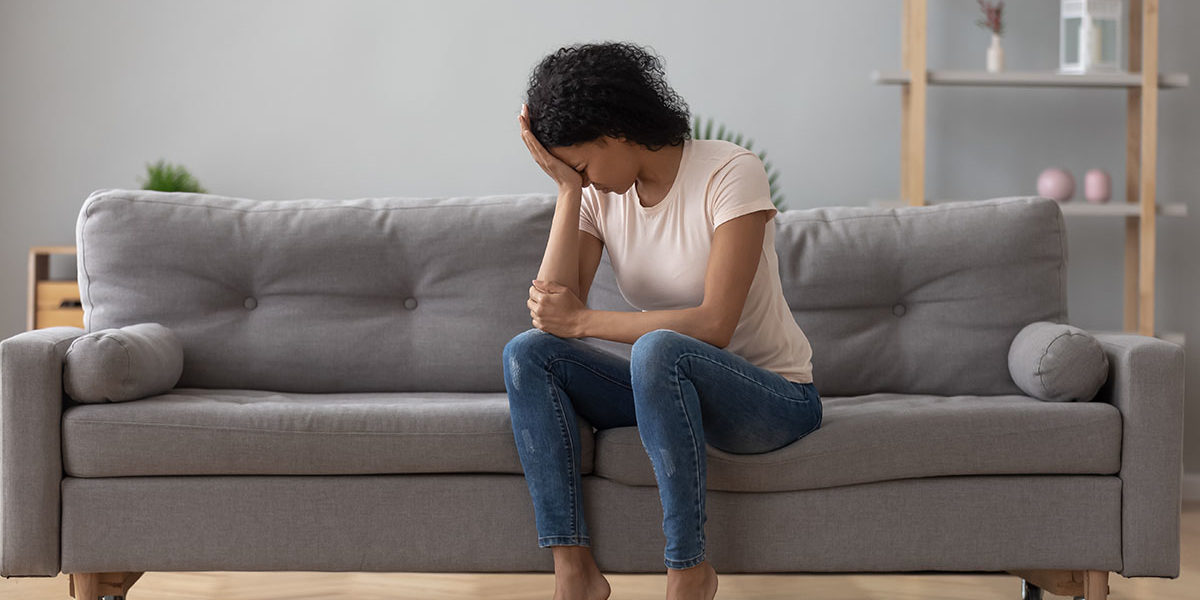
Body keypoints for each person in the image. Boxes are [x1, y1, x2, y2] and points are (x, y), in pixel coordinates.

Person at [503, 41, 820, 600]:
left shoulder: (730, 171)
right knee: (527, 352)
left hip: (769, 398)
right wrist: (567, 189)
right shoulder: (600, 195)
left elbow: (715, 324)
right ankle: (574, 575)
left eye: (582, 164)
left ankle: (688, 570)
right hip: (667, 391)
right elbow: (555, 312)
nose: (587, 178)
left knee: (658, 347)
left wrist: (583, 323)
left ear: (617, 132)